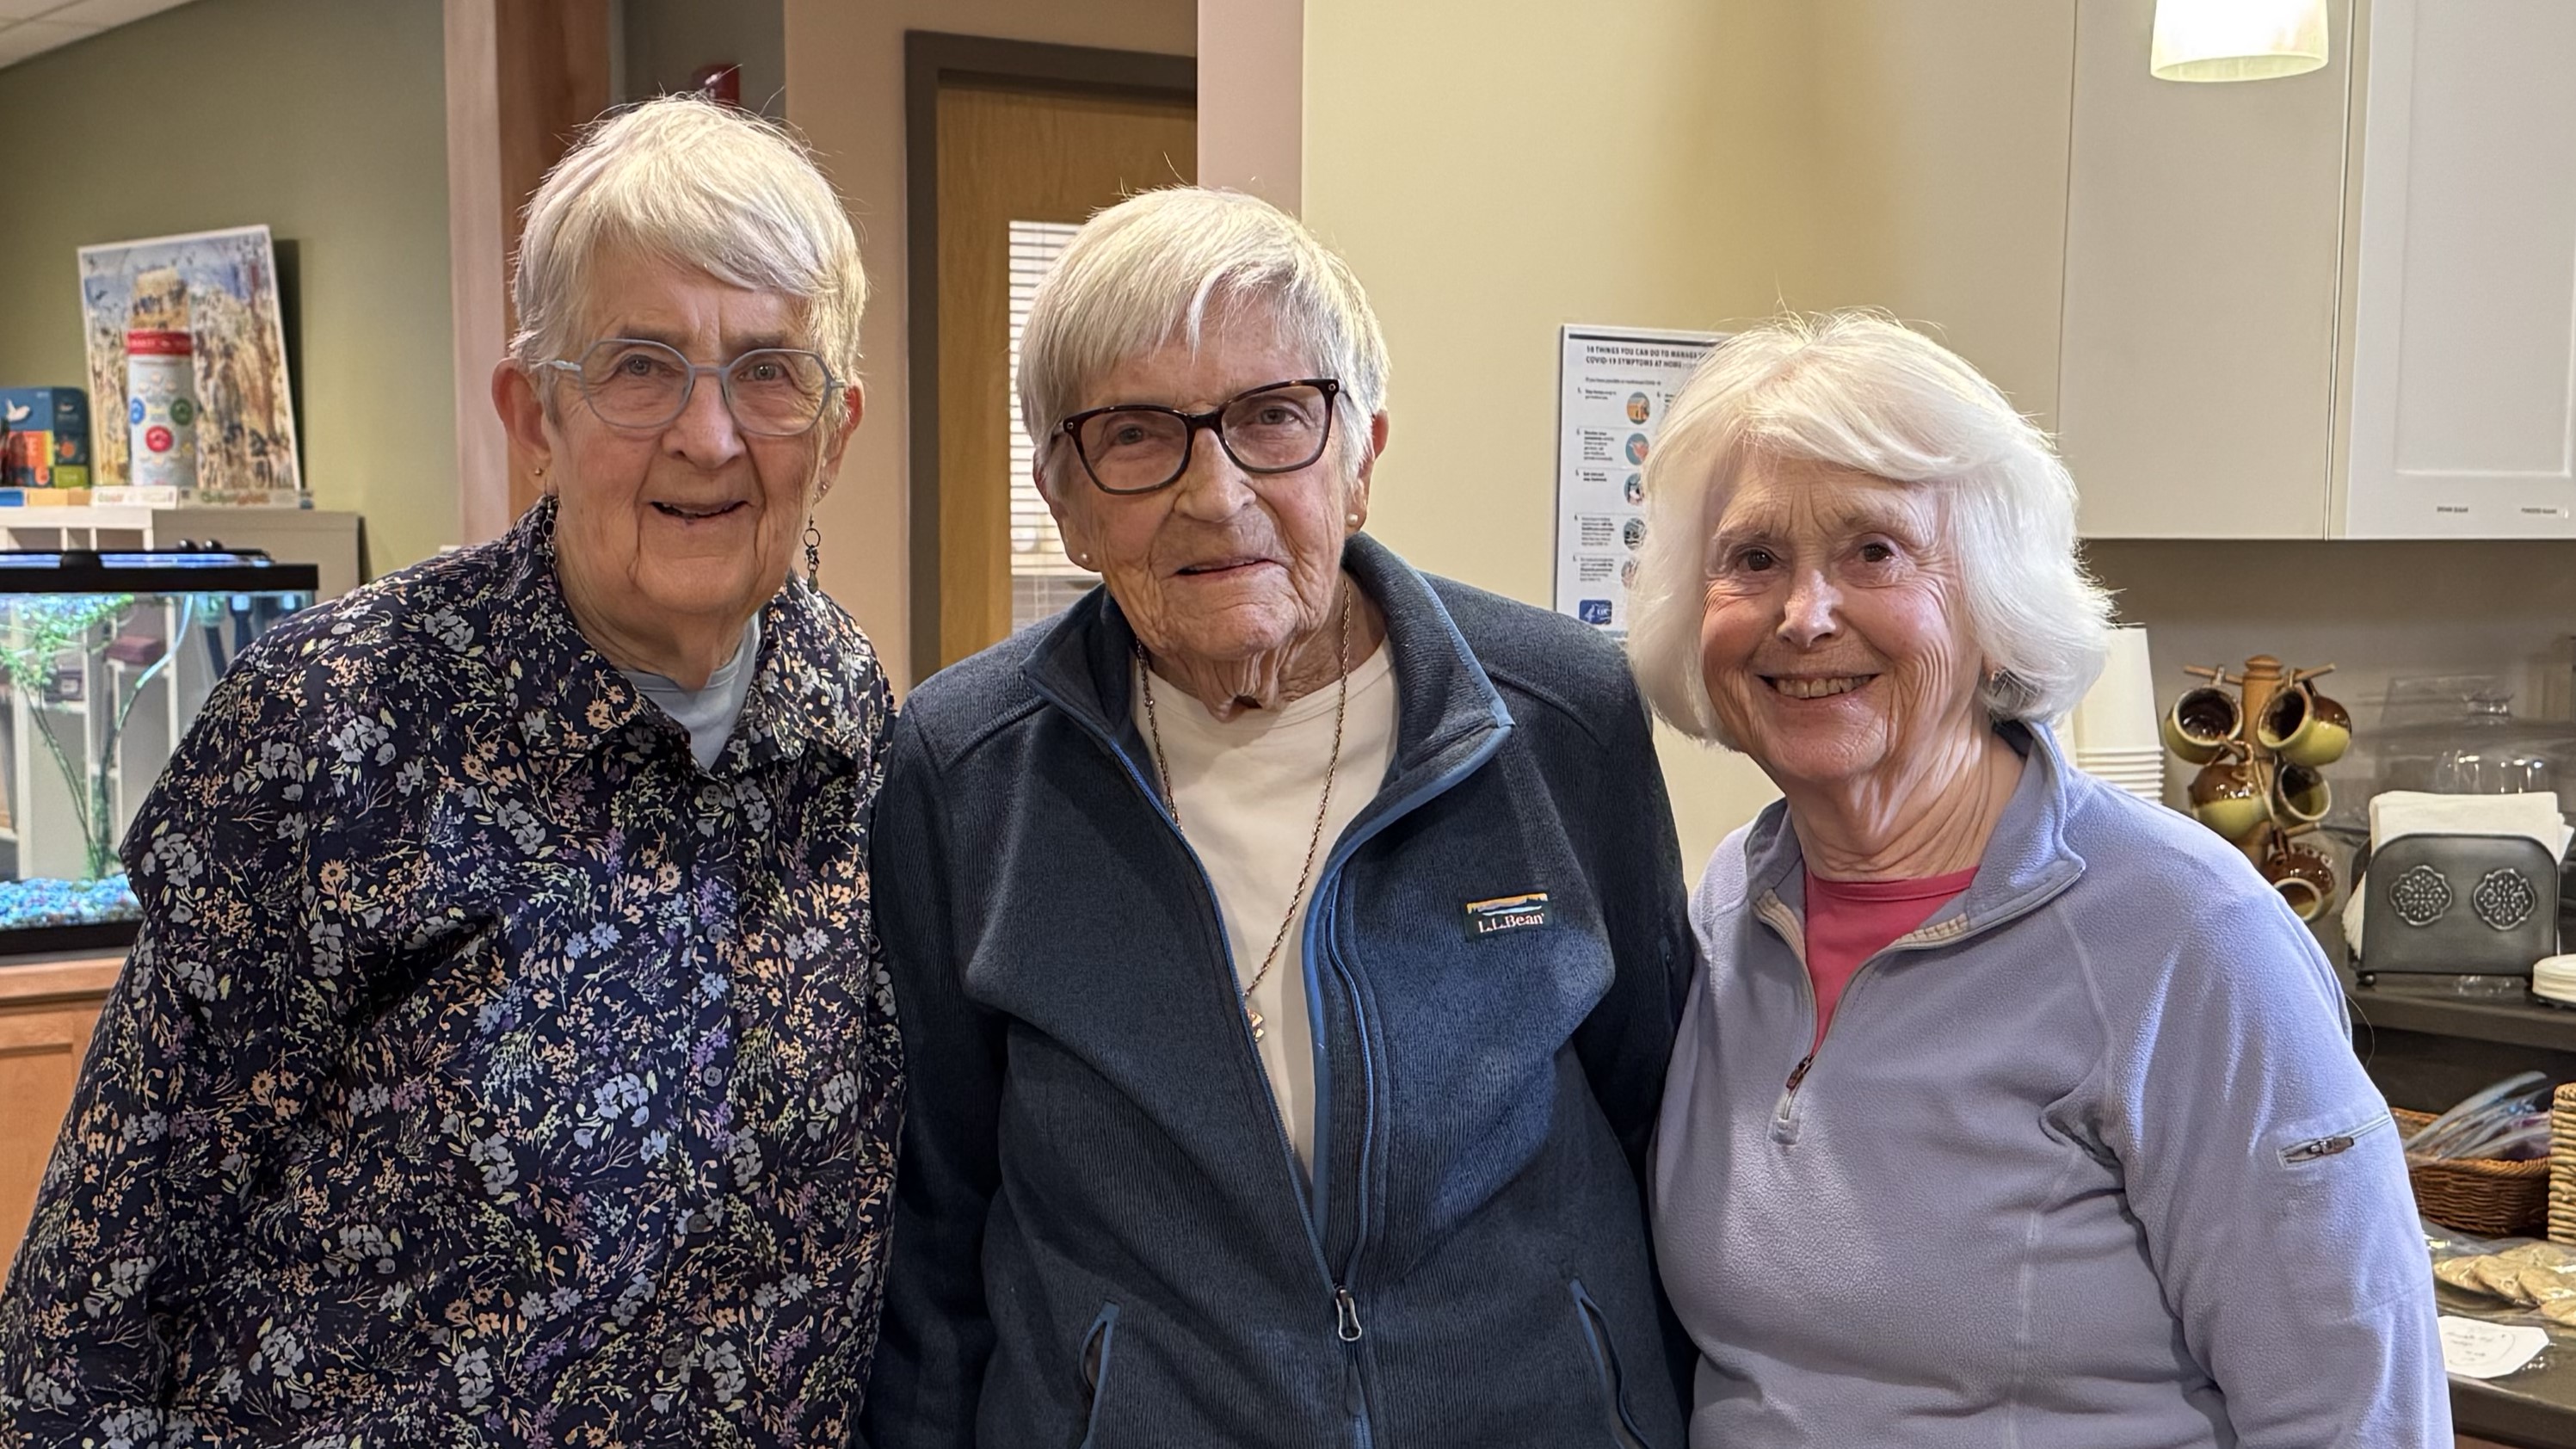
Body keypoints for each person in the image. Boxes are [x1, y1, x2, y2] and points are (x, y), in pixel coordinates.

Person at [0, 96, 900, 1446]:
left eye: (769, 372)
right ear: (531, 413)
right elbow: (91, 1313)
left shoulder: (854, 723)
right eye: (639, 366)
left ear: (835, 431)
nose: (710, 439)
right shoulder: (335, 725)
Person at [863, 187, 1691, 1446]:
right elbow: (936, 1221)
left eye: (1270, 419)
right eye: (1137, 435)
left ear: (1359, 457)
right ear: (1066, 501)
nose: (1216, 490)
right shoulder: (964, 765)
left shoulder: (1560, 719)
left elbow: (1664, 1131)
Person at [1627, 311, 2447, 1447]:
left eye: (1874, 550)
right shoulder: (1732, 903)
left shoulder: (2186, 935)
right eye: (1752, 558)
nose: (1803, 614)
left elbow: (2352, 1409)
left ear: (1990, 599)